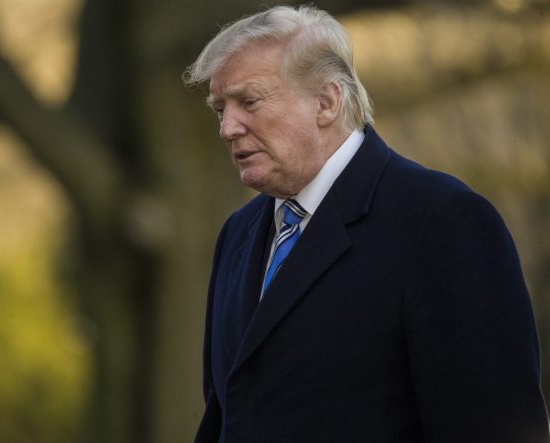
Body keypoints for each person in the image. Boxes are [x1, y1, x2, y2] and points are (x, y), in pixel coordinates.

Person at [183, 5, 548, 442]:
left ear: (326, 101)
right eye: (219, 108)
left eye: (249, 102)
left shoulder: (441, 220)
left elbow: (497, 428)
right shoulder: (238, 234)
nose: (227, 127)